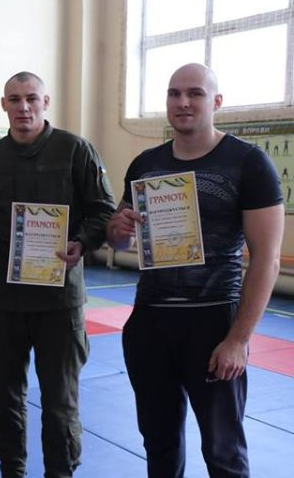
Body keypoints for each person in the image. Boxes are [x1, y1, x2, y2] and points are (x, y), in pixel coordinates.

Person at [107, 63, 284, 478]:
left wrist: (238, 339)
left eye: (195, 93)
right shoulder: (145, 164)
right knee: (159, 445)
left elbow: (267, 258)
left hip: (213, 320)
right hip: (151, 319)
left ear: (216, 101)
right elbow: (119, 242)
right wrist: (116, 230)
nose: (183, 102)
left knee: (223, 451)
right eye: (174, 93)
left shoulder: (248, 163)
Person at [0, 72, 116, 478]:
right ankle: (12, 470)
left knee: (60, 402)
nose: (23, 107)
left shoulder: (75, 150)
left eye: (31, 98)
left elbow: (103, 211)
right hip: (6, 301)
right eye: (14, 99)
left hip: (59, 301)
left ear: (46, 102)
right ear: (3, 104)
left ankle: (60, 473)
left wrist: (82, 242)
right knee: (4, 399)